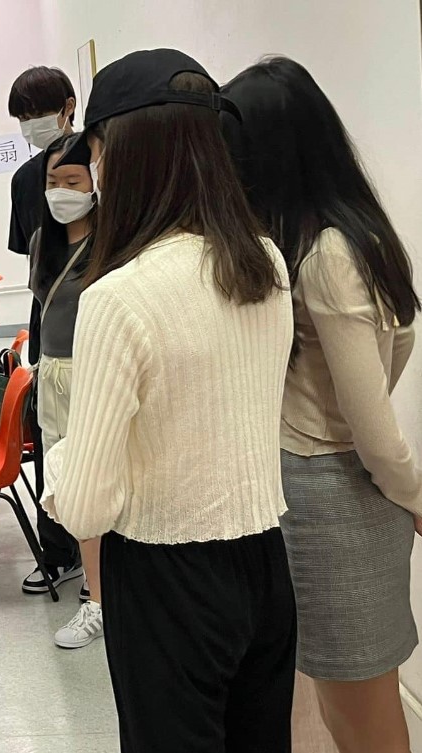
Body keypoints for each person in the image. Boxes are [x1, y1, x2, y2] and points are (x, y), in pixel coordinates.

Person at [44, 49, 296, 752]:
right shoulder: (265, 264)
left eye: (91, 151)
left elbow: (89, 505)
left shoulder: (118, 298)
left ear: (119, 153)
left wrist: (61, 462)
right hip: (264, 564)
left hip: (163, 578)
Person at [224, 56, 422, 753]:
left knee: (362, 721)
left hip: (330, 497)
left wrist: (414, 497)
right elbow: (394, 350)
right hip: (334, 491)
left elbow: (373, 433)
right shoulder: (348, 235)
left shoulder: (323, 254)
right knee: (351, 710)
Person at [7, 66, 83, 596]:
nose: (33, 125)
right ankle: (58, 552)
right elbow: (30, 259)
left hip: (95, 316)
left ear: (69, 106)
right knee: (50, 449)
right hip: (48, 320)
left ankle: (106, 561)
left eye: (39, 112)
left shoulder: (99, 161)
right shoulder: (24, 181)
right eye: (23, 117)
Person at [25, 134, 103, 649]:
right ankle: (95, 585)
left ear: (96, 183)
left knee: (97, 485)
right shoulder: (42, 241)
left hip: (95, 373)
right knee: (66, 486)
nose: (60, 192)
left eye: (72, 181)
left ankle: (100, 599)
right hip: (52, 373)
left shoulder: (114, 242)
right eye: (53, 182)